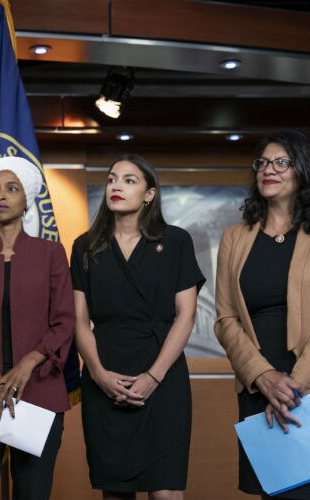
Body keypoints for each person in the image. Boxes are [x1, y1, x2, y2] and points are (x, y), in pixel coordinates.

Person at [71, 154, 204, 500]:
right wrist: (99, 374)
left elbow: (186, 317)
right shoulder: (86, 246)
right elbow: (79, 320)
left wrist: (153, 377)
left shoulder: (176, 241)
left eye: (130, 180)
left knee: (165, 492)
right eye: (113, 178)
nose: (116, 185)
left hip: (163, 376)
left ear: (150, 194)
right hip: (106, 373)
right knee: (115, 493)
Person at [214, 130, 310, 499]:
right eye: (263, 162)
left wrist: (293, 384)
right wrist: (264, 377)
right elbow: (225, 318)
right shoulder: (235, 236)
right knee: (275, 493)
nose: (269, 169)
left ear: (304, 170)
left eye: (281, 162)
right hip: (258, 390)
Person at [0, 156, 75, 500]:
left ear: (27, 200)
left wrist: (26, 365)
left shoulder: (51, 253)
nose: (0, 196)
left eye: (11, 189)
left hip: (38, 394)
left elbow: (64, 320)